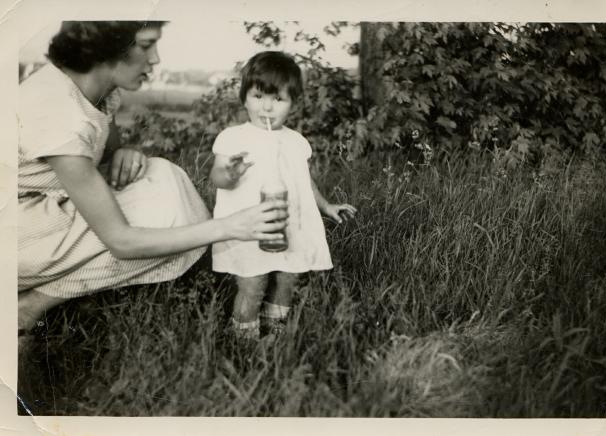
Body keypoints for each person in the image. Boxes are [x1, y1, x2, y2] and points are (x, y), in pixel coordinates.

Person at [17, 22, 289, 341]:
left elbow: (98, 153)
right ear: (105, 46)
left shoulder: (99, 92)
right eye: (146, 45)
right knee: (167, 218)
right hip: (17, 233)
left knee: (162, 175)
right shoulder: (58, 110)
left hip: (44, 209)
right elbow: (120, 240)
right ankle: (30, 306)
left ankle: (45, 297)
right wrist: (230, 227)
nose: (156, 58)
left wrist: (125, 153)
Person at [209, 51, 357, 341]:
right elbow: (216, 177)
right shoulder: (232, 138)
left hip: (290, 225)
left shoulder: (296, 141)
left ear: (292, 103)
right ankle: (244, 337)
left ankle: (275, 328)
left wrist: (326, 205)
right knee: (253, 283)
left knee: (288, 277)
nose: (267, 107)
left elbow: (303, 181)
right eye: (258, 96)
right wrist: (230, 174)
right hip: (249, 228)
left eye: (278, 99)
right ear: (244, 97)